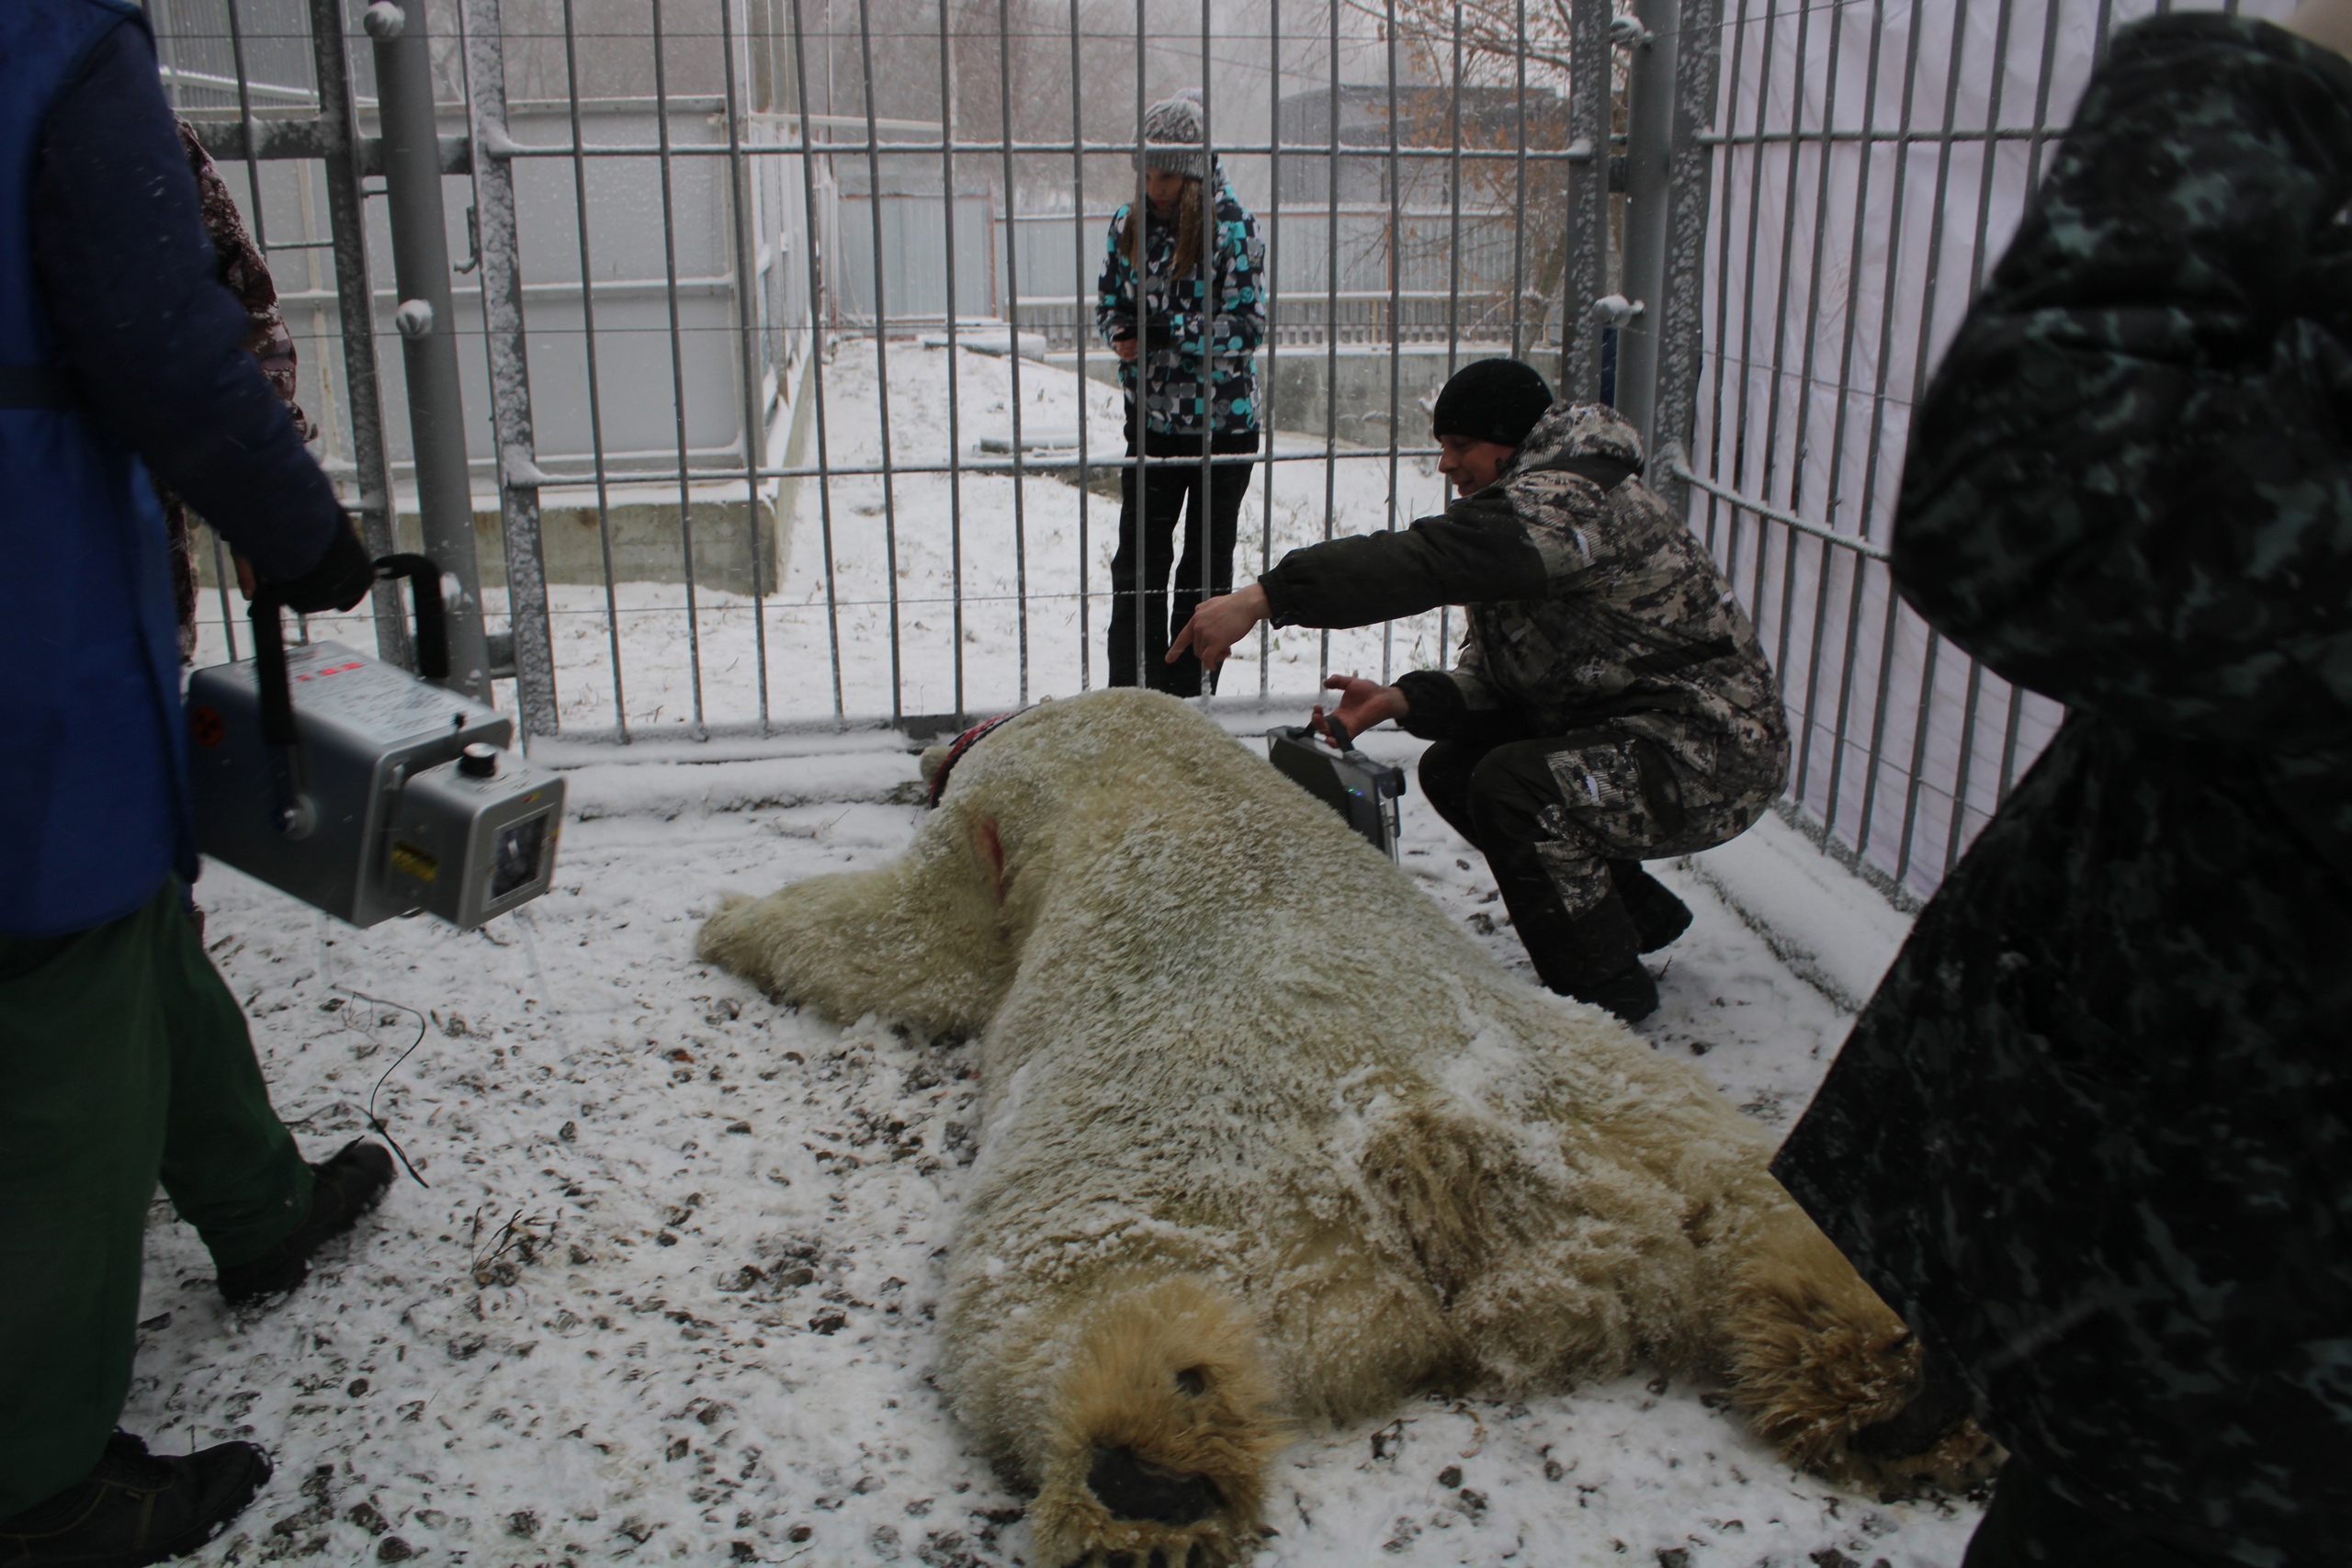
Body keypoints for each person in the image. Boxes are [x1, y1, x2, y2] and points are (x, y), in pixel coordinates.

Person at [1767, 7, 2352, 1566]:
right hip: (2213, 1287)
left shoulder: (1557, 503)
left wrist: (2263, 78)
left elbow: (2025, 497)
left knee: (1513, 773)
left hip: (2245, 1347)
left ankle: (1604, 924)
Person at [0, 3, 397, 1563]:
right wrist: (299, 531)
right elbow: (167, 327)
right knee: (62, 991)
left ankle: (256, 1201)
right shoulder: (54, 37)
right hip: (26, 598)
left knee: (121, 936)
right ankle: (38, 1473)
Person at [1170, 359, 1790, 1022]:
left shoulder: (1572, 504)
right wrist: (1397, 701)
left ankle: (1605, 996)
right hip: (1637, 732)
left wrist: (1265, 596)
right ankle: (1633, 919)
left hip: (1712, 753)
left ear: (1508, 442)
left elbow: (1424, 562)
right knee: (1456, 767)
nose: (1447, 466)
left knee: (1513, 787)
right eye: (1442, 448)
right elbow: (1500, 678)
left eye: (1460, 447)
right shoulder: (1527, 513)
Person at [1097, 87, 1265, 697]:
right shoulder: (1127, 222)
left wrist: (1169, 331)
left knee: (1204, 568)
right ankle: (1130, 695)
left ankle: (1187, 697)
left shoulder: (1233, 227)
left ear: (1192, 172)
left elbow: (1248, 329)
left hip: (1224, 426)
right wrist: (1119, 330)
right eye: (1146, 170)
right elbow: (1109, 301)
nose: (1154, 185)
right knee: (1137, 564)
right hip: (1150, 421)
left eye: (1167, 173)